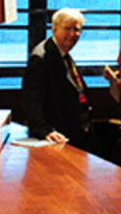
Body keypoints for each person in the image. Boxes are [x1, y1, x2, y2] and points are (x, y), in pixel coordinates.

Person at [19, 8, 93, 150]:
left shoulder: (63, 54)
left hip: (75, 132)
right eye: (67, 29)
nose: (72, 34)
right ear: (54, 29)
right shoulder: (41, 57)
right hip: (56, 137)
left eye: (76, 29)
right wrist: (45, 130)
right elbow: (32, 101)